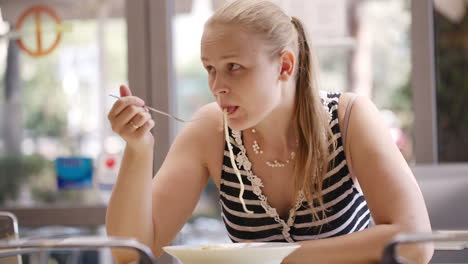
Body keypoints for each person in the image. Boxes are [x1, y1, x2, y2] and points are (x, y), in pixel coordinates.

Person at [105, 0, 433, 263]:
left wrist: (275, 258)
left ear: (285, 66)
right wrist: (137, 149)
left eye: (234, 67)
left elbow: (415, 242)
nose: (217, 87)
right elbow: (131, 250)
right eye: (210, 69)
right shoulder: (209, 131)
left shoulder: (349, 119)